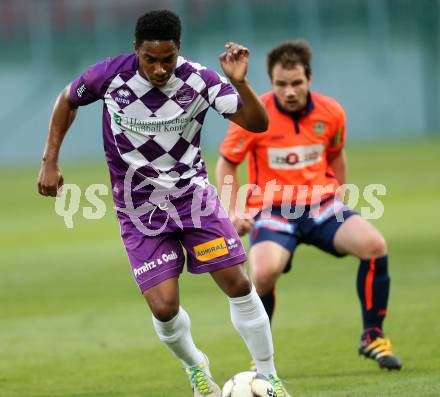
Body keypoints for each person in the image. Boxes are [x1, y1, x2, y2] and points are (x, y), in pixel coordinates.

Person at [37, 10, 292, 397]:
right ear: (136, 50)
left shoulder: (200, 80)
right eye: (150, 59)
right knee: (163, 307)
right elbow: (67, 99)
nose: (159, 69)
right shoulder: (109, 76)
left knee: (238, 284)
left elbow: (257, 123)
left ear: (179, 51)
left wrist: (241, 84)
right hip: (138, 209)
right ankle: (196, 367)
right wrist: (50, 160)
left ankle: (270, 376)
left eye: (167, 59)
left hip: (192, 199)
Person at [216, 40, 402, 371]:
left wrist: (339, 198)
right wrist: (233, 210)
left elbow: (335, 154)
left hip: (322, 206)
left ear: (309, 79)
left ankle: (373, 336)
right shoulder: (256, 114)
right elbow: (227, 163)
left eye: (296, 83)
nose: (289, 91)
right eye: (281, 84)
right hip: (273, 210)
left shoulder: (331, 112)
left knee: (375, 245)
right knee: (263, 273)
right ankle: (262, 358)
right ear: (271, 83)